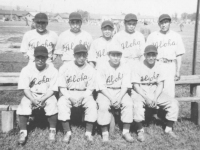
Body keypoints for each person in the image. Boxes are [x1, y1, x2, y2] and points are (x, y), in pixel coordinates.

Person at [131, 45, 179, 142]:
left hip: (154, 91)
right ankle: (140, 129)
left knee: (173, 103)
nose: (151, 57)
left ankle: (168, 129)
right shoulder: (137, 66)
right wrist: (146, 98)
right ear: (145, 55)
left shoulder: (160, 66)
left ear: (156, 55)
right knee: (137, 104)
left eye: (153, 55)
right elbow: (136, 86)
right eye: (149, 55)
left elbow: (160, 84)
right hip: (140, 91)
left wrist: (155, 98)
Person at [17, 46, 59, 145]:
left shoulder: (53, 70)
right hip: (31, 94)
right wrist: (32, 99)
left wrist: (44, 98)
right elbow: (25, 88)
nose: (40, 60)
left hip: (47, 94)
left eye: (43, 57)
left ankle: (52, 130)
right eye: (38, 57)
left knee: (53, 103)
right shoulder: (27, 70)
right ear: (34, 57)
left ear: (47, 58)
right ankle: (23, 132)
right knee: (24, 103)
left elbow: (53, 89)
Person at [57, 44, 97, 143]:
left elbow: (90, 88)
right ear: (74, 55)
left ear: (87, 55)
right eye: (79, 55)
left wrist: (83, 97)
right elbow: (62, 87)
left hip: (85, 93)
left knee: (92, 104)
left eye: (84, 55)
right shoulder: (65, 67)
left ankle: (88, 133)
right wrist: (69, 97)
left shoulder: (90, 69)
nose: (81, 58)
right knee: (62, 103)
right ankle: (67, 132)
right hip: (69, 92)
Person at [96, 41, 134, 143]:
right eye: (113, 55)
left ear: (121, 55)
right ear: (108, 55)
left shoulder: (125, 66)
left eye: (118, 55)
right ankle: (105, 133)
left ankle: (126, 131)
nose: (116, 57)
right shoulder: (102, 66)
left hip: (120, 91)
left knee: (128, 103)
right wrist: (112, 98)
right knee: (103, 105)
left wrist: (119, 98)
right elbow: (101, 86)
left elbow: (125, 85)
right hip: (105, 91)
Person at [146, 14, 185, 97]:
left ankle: (169, 109)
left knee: (169, 93)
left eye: (166, 22)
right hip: (156, 65)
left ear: (170, 23)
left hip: (170, 65)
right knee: (155, 91)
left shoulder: (176, 36)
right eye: (161, 23)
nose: (163, 25)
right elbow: (146, 54)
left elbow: (178, 55)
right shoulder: (152, 36)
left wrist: (178, 71)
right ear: (158, 24)